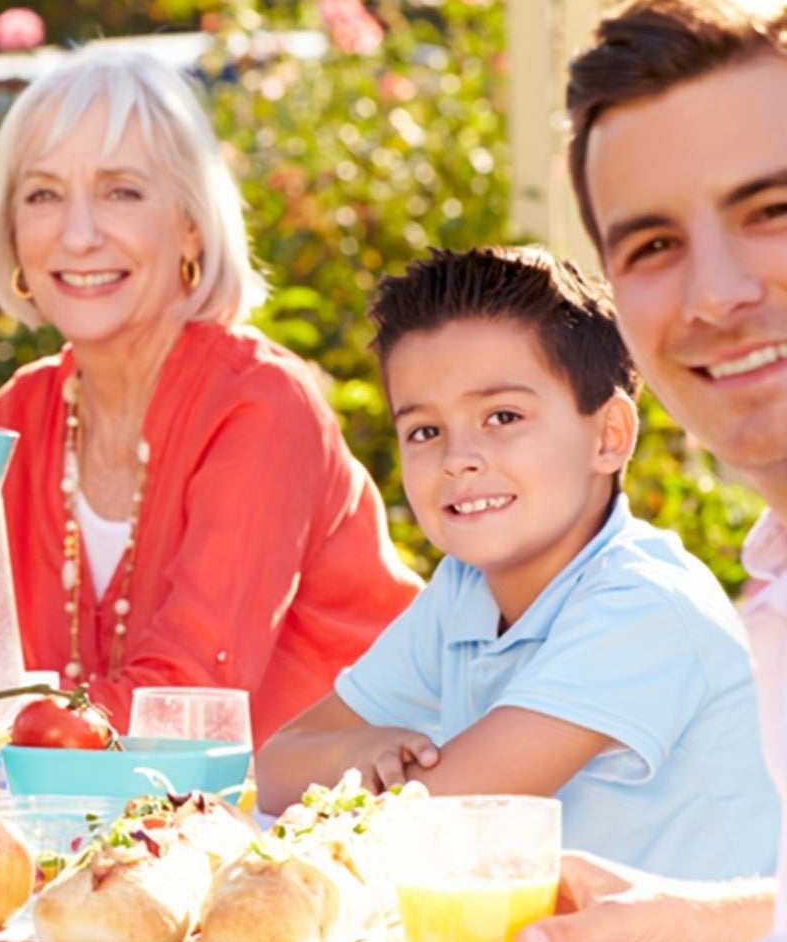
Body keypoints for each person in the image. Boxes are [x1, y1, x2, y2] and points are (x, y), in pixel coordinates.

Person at [102, 0, 787, 942]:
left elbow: (418, 827)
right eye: (653, 245)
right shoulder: (691, 589)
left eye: (773, 211)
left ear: (610, 430)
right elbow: (294, 768)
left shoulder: (652, 602)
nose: (713, 293)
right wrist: (706, 920)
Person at [0, 45, 419, 738]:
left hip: (339, 821)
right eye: (44, 195)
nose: (79, 235)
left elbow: (184, 704)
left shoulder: (262, 404)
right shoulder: (22, 416)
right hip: (125, 829)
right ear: (12, 231)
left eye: (121, 192)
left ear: (190, 225)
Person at [260, 245, 777, 877]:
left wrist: (354, 774)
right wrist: (363, 750)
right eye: (425, 431)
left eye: (502, 416)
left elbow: (436, 822)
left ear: (609, 435)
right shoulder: (465, 590)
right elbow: (275, 765)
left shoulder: (644, 606)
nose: (459, 458)